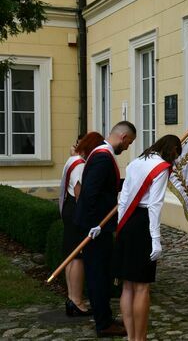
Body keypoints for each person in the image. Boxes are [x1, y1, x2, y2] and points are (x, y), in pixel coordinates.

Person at [114, 135, 182, 341]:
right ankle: (140, 339)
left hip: (126, 222)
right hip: (143, 223)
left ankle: (131, 337)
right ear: (171, 151)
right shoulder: (161, 168)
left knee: (127, 285)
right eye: (176, 155)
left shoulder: (136, 162)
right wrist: (155, 238)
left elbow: (123, 197)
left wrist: (120, 226)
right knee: (142, 286)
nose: (175, 160)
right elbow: (155, 205)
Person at [75, 121, 136, 338]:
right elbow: (91, 193)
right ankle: (103, 324)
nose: (128, 147)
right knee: (98, 275)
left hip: (97, 224)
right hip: (96, 227)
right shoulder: (102, 157)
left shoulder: (102, 153)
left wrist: (130, 184)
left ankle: (106, 317)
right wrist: (94, 226)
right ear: (123, 137)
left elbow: (104, 187)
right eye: (129, 143)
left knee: (102, 273)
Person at [59, 132, 104, 317]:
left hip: (69, 209)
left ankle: (71, 298)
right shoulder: (80, 165)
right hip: (76, 211)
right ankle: (77, 301)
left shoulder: (72, 159)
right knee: (78, 256)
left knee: (71, 254)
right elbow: (80, 194)